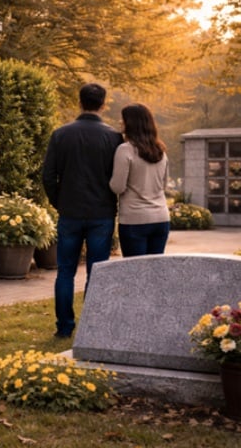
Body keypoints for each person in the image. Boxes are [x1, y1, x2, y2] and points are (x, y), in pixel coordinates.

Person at [42, 83, 123, 338]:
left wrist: (59, 202)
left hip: (70, 212)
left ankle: (64, 327)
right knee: (97, 272)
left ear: (80, 102)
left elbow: (48, 176)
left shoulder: (61, 134)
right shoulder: (113, 137)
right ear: (103, 103)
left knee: (65, 271)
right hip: (101, 213)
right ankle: (92, 326)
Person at [109, 103, 170, 257]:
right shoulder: (161, 151)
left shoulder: (125, 150)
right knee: (154, 272)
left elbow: (118, 187)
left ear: (132, 123)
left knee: (134, 274)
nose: (120, 122)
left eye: (123, 119)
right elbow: (164, 185)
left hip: (134, 220)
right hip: (161, 219)